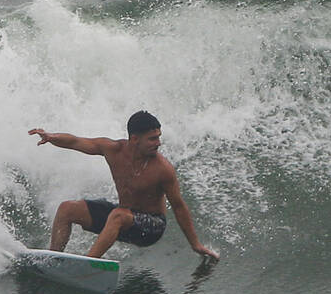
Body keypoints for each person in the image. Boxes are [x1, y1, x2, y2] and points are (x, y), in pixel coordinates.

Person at [28, 111, 219, 261]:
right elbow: (77, 141)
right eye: (152, 138)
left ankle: (87, 264)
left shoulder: (163, 169)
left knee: (118, 216)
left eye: (159, 137)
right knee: (67, 209)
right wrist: (52, 137)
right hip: (122, 216)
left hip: (151, 227)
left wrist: (195, 244)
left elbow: (179, 206)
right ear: (134, 139)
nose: (158, 143)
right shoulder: (113, 150)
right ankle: (53, 259)